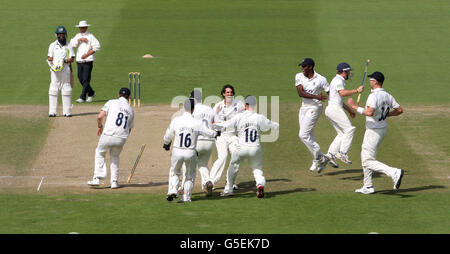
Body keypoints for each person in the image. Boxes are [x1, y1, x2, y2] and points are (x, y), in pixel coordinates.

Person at [347, 71, 404, 194]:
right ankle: (368, 186)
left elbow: (369, 112)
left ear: (376, 82)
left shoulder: (373, 96)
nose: (369, 81)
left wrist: (354, 107)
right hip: (381, 129)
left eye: (371, 80)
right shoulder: (387, 95)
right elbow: (399, 110)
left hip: (373, 131)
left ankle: (394, 172)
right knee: (366, 157)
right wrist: (386, 114)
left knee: (367, 161)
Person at [214, 95, 279, 198]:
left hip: (241, 147)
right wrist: (276, 125)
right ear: (255, 105)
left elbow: (226, 124)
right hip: (255, 147)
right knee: (257, 169)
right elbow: (270, 125)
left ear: (245, 105)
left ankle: (229, 189)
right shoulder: (259, 117)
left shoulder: (239, 116)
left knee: (233, 166)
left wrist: (215, 124)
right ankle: (260, 185)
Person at [163, 98, 220, 203]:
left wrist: (166, 143)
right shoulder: (196, 123)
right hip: (190, 152)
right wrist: (215, 133)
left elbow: (168, 134)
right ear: (193, 109)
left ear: (184, 107)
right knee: (190, 175)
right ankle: (186, 197)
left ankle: (172, 190)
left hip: (177, 151)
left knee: (174, 172)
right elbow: (207, 131)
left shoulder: (176, 120)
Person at [87, 88, 134, 189]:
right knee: (115, 157)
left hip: (108, 135)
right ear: (129, 97)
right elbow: (129, 129)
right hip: (121, 138)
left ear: (118, 95)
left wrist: (100, 127)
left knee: (100, 152)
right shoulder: (131, 110)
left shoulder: (112, 102)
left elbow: (100, 117)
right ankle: (114, 182)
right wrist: (123, 139)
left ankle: (97, 178)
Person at [324, 62, 364, 168]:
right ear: (343, 72)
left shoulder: (338, 80)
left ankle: (331, 155)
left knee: (342, 134)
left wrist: (350, 110)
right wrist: (357, 90)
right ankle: (343, 153)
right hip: (334, 110)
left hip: (332, 109)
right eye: (348, 72)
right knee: (350, 130)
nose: (349, 73)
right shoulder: (338, 80)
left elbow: (339, 100)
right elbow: (342, 93)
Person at [295, 58, 330, 173]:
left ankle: (319, 157)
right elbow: (300, 93)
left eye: (304, 66)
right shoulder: (299, 76)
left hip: (315, 108)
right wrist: (316, 96)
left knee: (303, 135)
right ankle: (319, 158)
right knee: (309, 134)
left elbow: (330, 93)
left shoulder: (321, 79)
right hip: (304, 108)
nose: (302, 68)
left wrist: (338, 105)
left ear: (310, 67)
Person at [179, 90, 216, 196]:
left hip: (196, 141)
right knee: (203, 164)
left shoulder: (191, 110)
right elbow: (214, 124)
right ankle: (207, 182)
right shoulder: (210, 109)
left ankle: (182, 188)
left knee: (188, 164)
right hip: (209, 141)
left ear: (191, 97)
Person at [209, 84, 245, 188]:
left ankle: (230, 182)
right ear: (223, 94)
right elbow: (212, 121)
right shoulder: (218, 106)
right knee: (222, 156)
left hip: (233, 136)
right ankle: (211, 182)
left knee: (236, 156)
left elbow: (246, 115)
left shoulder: (239, 104)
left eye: (231, 92)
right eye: (227, 92)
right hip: (222, 136)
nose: (229, 94)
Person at [70, 20, 101, 103]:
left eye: (83, 27)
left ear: (86, 27)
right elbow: (72, 44)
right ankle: (91, 93)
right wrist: (79, 40)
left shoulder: (91, 36)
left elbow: (97, 47)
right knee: (81, 78)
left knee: (86, 79)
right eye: (81, 28)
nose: (82, 29)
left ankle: (83, 97)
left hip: (88, 61)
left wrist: (87, 54)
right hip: (79, 60)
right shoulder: (77, 36)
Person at [47, 25, 75, 117]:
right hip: (55, 71)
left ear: (65, 35)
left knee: (66, 89)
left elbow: (72, 58)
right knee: (53, 89)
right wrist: (52, 65)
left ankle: (67, 112)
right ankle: (52, 112)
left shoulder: (69, 45)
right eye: (59, 35)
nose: (61, 37)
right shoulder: (52, 45)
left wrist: (64, 61)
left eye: (63, 35)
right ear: (57, 35)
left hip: (65, 70)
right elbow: (49, 58)